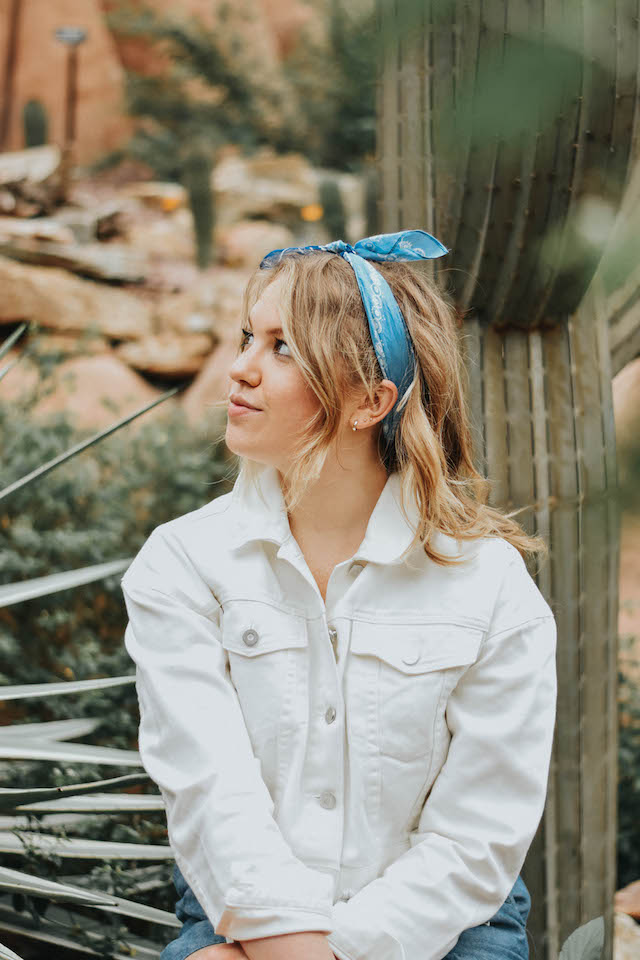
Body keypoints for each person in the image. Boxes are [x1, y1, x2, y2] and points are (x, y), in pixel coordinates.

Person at [121, 230, 557, 960]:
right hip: (243, 914)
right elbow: (212, 798)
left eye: (282, 349)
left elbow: (475, 840)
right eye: (248, 338)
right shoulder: (183, 564)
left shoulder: (488, 585)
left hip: (448, 928)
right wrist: (289, 944)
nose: (239, 369)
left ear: (368, 400)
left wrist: (333, 952)